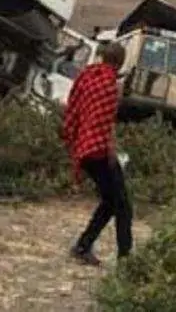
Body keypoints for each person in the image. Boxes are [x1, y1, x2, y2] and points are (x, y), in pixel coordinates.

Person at [63, 43, 132, 266]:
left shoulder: (88, 77)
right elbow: (106, 122)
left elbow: (74, 109)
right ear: (120, 62)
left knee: (110, 202)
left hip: (85, 146)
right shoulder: (110, 84)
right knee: (122, 204)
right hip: (99, 150)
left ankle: (84, 245)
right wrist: (111, 149)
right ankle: (125, 258)